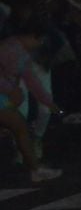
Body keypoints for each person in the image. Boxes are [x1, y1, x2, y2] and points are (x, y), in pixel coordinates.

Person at [0, 17, 63, 182]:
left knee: (19, 127)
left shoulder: (19, 51)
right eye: (41, 40)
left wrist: (48, 102)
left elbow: (31, 80)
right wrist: (11, 89)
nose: (41, 44)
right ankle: (35, 169)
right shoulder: (10, 49)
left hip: (5, 95)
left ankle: (35, 168)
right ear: (34, 36)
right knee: (20, 127)